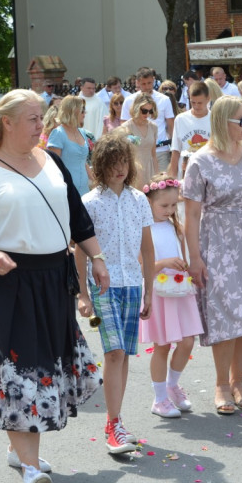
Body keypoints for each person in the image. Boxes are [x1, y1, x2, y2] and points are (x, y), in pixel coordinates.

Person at [0, 89, 107, 483]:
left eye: (43, 117)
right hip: (9, 280)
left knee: (46, 361)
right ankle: (31, 468)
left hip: (54, 278)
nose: (42, 125)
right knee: (20, 369)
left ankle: (18, 450)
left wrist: (98, 258)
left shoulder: (51, 161)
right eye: (35, 118)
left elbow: (76, 214)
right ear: (8, 123)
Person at [182, 96, 242, 415]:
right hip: (216, 239)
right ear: (223, 122)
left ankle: (238, 381)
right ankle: (221, 384)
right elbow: (190, 215)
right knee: (225, 312)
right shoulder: (199, 161)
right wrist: (194, 257)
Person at [76, 134, 154, 451]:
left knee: (123, 356)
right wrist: (82, 293)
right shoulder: (89, 203)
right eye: (113, 163)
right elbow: (79, 251)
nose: (120, 168)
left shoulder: (140, 200)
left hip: (133, 284)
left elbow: (148, 251)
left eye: (124, 161)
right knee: (114, 352)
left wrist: (149, 292)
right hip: (103, 286)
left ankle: (117, 420)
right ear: (101, 166)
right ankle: (113, 425)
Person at [137, 173, 201, 418]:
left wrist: (184, 266)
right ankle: (160, 398)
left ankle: (173, 385)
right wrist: (164, 262)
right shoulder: (145, 229)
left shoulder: (176, 226)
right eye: (164, 205)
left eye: (174, 205)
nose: (170, 209)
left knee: (187, 341)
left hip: (179, 289)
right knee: (162, 345)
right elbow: (142, 265)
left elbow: (182, 255)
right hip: (159, 291)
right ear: (149, 203)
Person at [122, 68, 175, 173]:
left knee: (160, 183)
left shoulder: (164, 99)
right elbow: (124, 127)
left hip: (161, 150)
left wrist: (172, 148)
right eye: (143, 84)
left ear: (154, 80)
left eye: (149, 83)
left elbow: (171, 125)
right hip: (138, 151)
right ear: (138, 83)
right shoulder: (129, 101)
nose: (146, 87)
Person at [46, 96, 95, 194]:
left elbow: (82, 161)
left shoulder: (82, 133)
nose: (85, 113)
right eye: (82, 110)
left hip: (84, 190)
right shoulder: (58, 133)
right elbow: (53, 165)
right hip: (66, 190)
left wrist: (95, 181)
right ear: (73, 111)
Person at [168, 81, 211, 179]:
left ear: (208, 99)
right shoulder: (180, 119)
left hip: (208, 171)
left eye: (200, 103)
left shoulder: (214, 119)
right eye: (193, 102)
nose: (196, 106)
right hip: (185, 172)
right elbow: (176, 150)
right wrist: (172, 177)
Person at [118, 93, 159, 185]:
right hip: (133, 170)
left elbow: (154, 154)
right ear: (136, 108)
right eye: (144, 111)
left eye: (150, 111)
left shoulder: (153, 127)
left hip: (149, 169)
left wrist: (157, 175)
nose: (147, 114)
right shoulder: (126, 128)